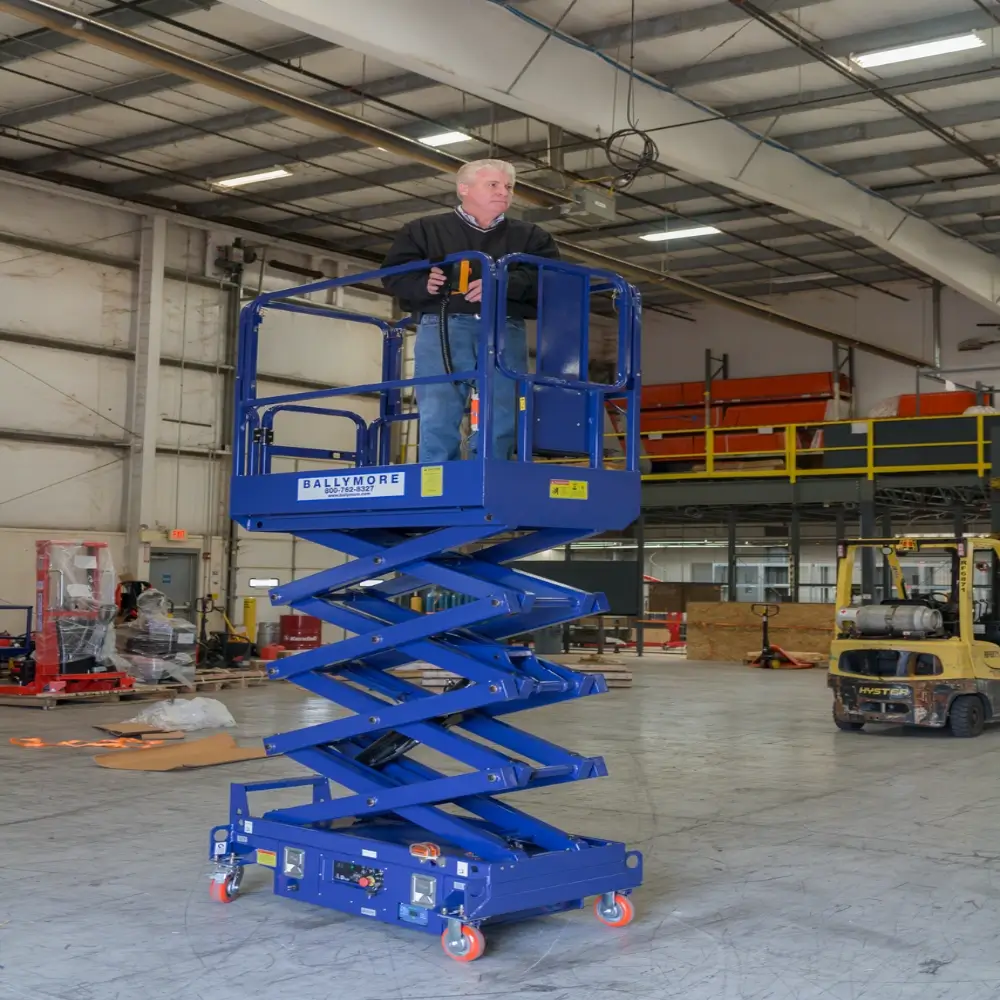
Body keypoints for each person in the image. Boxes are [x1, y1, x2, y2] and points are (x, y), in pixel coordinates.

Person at [381, 159, 559, 463]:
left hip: (504, 327)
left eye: (509, 187)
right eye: (493, 185)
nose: (504, 192)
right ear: (463, 189)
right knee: (438, 407)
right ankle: (436, 478)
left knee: (502, 408)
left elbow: (550, 277)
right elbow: (395, 275)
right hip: (442, 327)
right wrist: (425, 283)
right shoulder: (424, 230)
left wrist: (502, 283)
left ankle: (491, 473)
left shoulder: (532, 237)